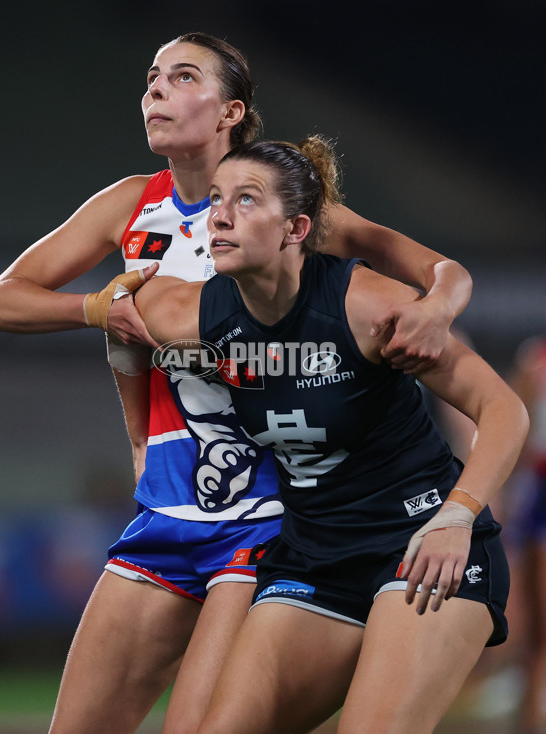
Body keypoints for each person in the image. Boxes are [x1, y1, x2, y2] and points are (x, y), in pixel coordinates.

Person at [0, 33, 474, 734]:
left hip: (269, 515)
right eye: (151, 77)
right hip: (168, 508)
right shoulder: (129, 205)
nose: (154, 90)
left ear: (231, 111)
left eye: (181, 77)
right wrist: (95, 311)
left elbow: (442, 272)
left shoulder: (280, 215)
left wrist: (437, 312)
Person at [127, 136, 529, 734]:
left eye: (246, 199)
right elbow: (117, 323)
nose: (220, 214)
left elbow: (504, 409)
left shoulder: (366, 305)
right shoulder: (187, 314)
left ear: (296, 229)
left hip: (420, 546)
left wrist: (457, 517)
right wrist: (139, 441)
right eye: (215, 199)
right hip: (315, 557)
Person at [507, 336, 546, 734]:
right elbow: (518, 434)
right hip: (539, 497)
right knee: (538, 623)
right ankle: (530, 715)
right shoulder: (535, 358)